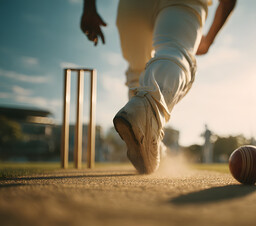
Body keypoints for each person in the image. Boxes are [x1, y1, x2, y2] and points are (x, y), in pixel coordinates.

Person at [81, 0, 236, 174]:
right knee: (175, 52)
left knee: (137, 71)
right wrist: (209, 39)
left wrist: (89, 8)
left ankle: (146, 130)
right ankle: (147, 115)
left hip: (132, 6)